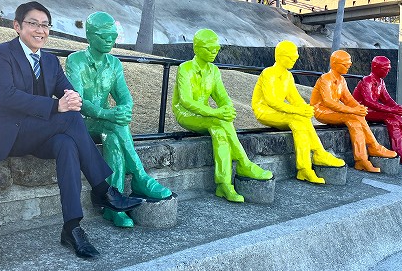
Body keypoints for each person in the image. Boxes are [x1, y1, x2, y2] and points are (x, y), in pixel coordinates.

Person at [0, 1, 142, 259]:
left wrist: (72, 98)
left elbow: (69, 91)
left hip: (41, 134)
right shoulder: (1, 53)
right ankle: (103, 191)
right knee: (70, 119)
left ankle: (72, 228)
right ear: (17, 26)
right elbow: (7, 96)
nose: (40, 30)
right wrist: (56, 106)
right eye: (33, 24)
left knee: (67, 143)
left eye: (45, 25)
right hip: (10, 134)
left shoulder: (50, 61)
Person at [65, 12, 172, 228]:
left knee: (113, 139)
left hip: (106, 124)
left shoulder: (114, 64)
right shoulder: (75, 61)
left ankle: (114, 207)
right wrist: (108, 114)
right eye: (104, 36)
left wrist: (124, 110)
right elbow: (78, 101)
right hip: (78, 123)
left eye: (113, 36)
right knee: (115, 125)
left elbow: (124, 96)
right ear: (89, 35)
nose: (109, 40)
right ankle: (140, 177)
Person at [173, 29, 272, 203]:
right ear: (196, 48)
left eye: (216, 49)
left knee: (219, 132)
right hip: (186, 114)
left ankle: (224, 184)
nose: (214, 52)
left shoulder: (214, 70)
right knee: (219, 121)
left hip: (208, 117)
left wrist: (228, 108)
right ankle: (244, 163)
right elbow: (185, 101)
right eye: (209, 49)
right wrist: (216, 112)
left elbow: (222, 96)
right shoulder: (185, 68)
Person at [252, 41, 345, 184]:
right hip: (264, 111)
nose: (293, 60)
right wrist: (298, 110)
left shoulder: (288, 76)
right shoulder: (268, 73)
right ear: (279, 56)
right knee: (297, 118)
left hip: (279, 112)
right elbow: (272, 101)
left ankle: (306, 168)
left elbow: (295, 98)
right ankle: (315, 158)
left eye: (295, 57)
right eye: (290, 57)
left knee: (301, 119)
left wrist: (305, 108)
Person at [310, 50, 397, 173]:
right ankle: (373, 148)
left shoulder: (342, 80)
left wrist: (359, 108)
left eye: (349, 64)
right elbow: (329, 102)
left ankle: (361, 160)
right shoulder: (325, 79)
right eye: (345, 64)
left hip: (334, 111)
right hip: (321, 111)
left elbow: (348, 99)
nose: (348, 67)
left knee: (355, 119)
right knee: (353, 116)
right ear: (334, 63)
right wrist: (353, 110)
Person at [353, 56, 402, 166]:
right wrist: (392, 109)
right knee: (391, 115)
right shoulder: (367, 81)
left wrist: (397, 108)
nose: (388, 71)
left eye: (388, 69)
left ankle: (400, 150)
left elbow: (387, 99)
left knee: (393, 118)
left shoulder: (381, 82)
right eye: (385, 69)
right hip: (361, 111)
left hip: (370, 111)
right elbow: (369, 102)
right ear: (375, 68)